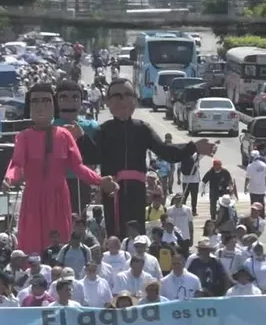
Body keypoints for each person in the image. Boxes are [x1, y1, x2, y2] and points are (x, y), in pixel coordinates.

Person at [86, 78, 215, 238]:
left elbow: (167, 152)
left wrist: (193, 147)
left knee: (137, 235)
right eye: (117, 95)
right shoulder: (103, 130)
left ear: (135, 99)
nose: (123, 100)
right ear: (108, 101)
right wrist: (76, 138)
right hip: (113, 192)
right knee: (116, 235)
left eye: (128, 95)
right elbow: (89, 156)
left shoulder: (142, 129)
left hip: (137, 191)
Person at [3, 83, 117, 254]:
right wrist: (9, 179)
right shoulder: (24, 137)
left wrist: (99, 180)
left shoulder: (64, 135)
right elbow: (17, 165)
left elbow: (78, 167)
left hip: (59, 197)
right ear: (29, 107)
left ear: (54, 106)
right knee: (32, 246)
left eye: (46, 101)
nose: (41, 106)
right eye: (35, 102)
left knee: (60, 245)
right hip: (33, 198)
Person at [53, 80, 100, 214]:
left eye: (75, 97)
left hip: (82, 181)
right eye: (64, 97)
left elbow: (97, 155)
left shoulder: (91, 126)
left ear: (81, 100)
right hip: (55, 181)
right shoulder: (48, 127)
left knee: (79, 217)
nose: (70, 102)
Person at [244, 150, 266, 215]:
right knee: (261, 205)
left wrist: (245, 187)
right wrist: (264, 185)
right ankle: (261, 217)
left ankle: (254, 219)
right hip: (261, 190)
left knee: (253, 206)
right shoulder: (264, 165)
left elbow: (247, 178)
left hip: (253, 190)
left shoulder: (250, 166)